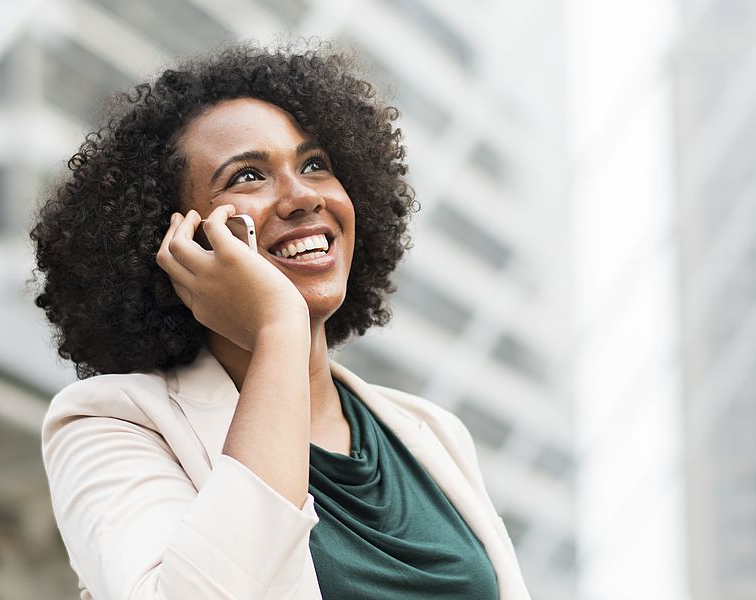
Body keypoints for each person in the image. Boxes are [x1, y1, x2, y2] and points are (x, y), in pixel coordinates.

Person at [31, 41, 530, 600]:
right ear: (178, 239)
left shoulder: (432, 432)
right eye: (247, 177)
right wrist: (277, 329)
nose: (301, 197)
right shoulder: (112, 425)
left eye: (315, 165)